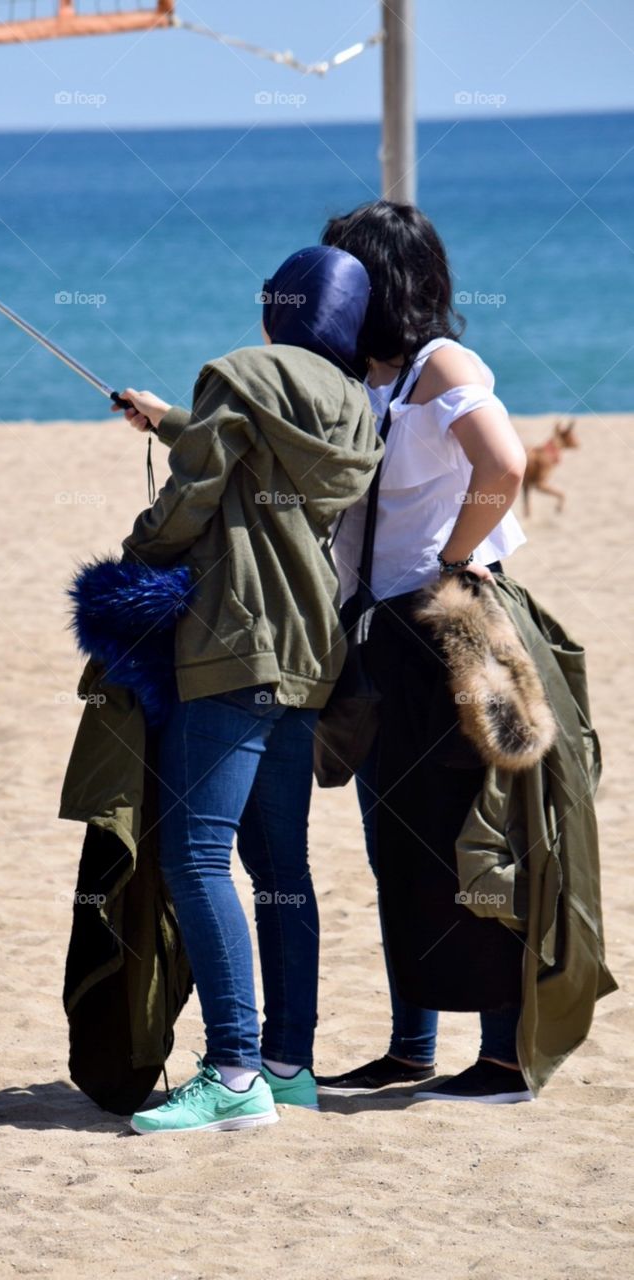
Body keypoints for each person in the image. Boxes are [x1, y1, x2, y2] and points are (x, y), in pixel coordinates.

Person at [110, 246, 381, 1133]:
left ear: (277, 310)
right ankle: (287, 1063)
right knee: (279, 867)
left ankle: (231, 1074)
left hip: (233, 639)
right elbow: (259, 465)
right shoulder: (353, 407)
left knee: (197, 854)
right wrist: (166, 421)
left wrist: (138, 557)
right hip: (309, 646)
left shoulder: (239, 371)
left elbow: (198, 494)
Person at [315, 201, 535, 1104]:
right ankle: (410, 1047)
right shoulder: (364, 375)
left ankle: (504, 1057)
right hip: (372, 632)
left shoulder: (441, 364)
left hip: (440, 626)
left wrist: (453, 561)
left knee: (464, 839)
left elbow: (505, 465)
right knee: (390, 846)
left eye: (340, 270)